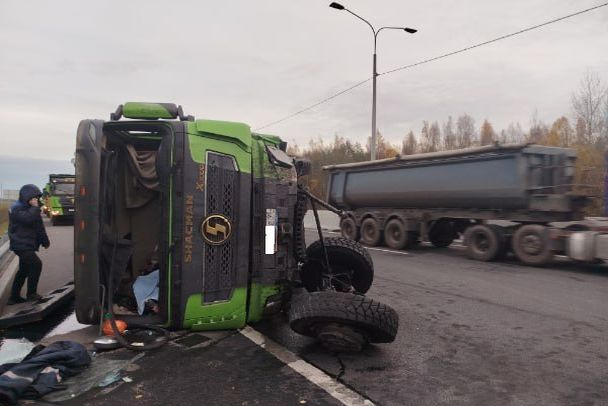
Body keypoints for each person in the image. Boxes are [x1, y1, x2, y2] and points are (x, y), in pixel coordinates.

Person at [7, 184, 50, 304]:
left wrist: (45, 241)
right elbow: (27, 219)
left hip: (27, 244)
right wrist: (35, 208)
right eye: (34, 198)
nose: (36, 200)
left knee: (24, 270)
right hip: (20, 244)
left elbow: (39, 226)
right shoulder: (16, 208)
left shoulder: (32, 209)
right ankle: (31, 294)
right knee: (36, 264)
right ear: (27, 197)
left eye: (37, 198)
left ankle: (14, 297)